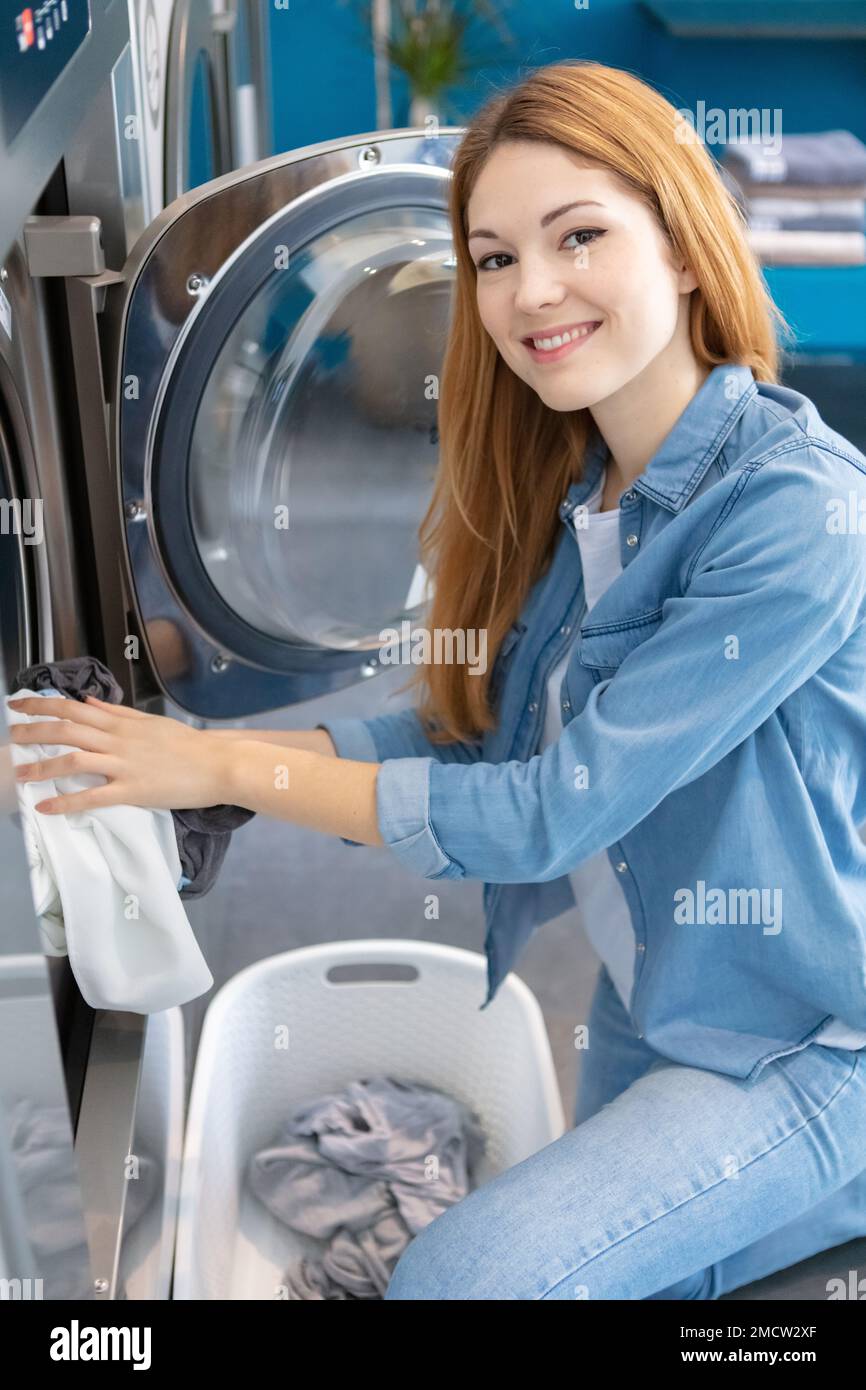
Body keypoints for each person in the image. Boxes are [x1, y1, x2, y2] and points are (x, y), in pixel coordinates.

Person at [8, 60, 866, 1300]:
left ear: (683, 249)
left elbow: (545, 810)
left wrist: (211, 760)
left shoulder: (796, 515)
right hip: (658, 988)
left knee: (462, 1277)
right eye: (494, 257)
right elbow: (471, 741)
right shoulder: (584, 486)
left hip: (805, 1038)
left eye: (578, 236)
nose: (532, 291)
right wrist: (152, 766)